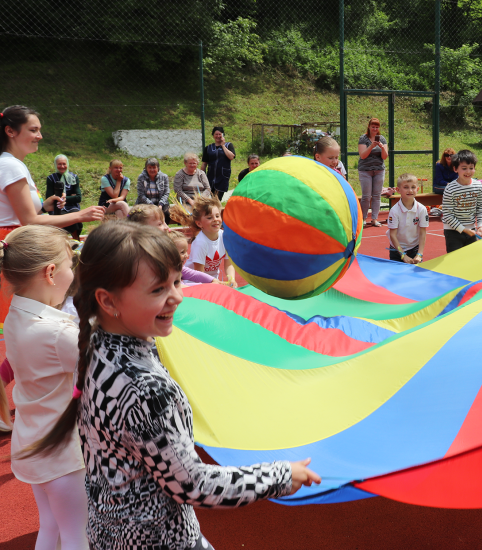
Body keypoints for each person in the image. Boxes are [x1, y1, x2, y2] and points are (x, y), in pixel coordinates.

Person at [24, 221, 321, 550]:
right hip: (158, 539)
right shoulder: (145, 388)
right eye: (158, 290)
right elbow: (191, 483)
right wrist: (278, 476)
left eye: (176, 282)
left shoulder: (95, 347)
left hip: (108, 532)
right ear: (108, 302)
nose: (177, 297)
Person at [0, 225, 87, 550]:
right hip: (63, 455)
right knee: (78, 535)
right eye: (69, 265)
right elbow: (98, 370)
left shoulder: (16, 316)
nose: (72, 272)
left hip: (33, 445)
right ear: (51, 272)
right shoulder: (56, 332)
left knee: (51, 527)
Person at [0, 105, 105, 329]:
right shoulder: (10, 166)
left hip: (16, 239)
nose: (40, 135)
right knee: (17, 318)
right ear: (11, 131)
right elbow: (28, 220)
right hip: (15, 243)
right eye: (33, 130)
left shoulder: (12, 164)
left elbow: (20, 212)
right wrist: (81, 214)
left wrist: (45, 205)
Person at [172, 195, 237, 288]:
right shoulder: (200, 243)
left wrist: (231, 280)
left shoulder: (225, 237)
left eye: (217, 216)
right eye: (209, 218)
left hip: (214, 281)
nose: (215, 219)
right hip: (196, 284)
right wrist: (213, 285)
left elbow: (228, 264)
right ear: (199, 223)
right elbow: (199, 274)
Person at [442, 149, 482, 253]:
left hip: (472, 230)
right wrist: (464, 229)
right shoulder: (450, 189)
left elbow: (481, 207)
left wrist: (481, 226)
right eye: (464, 168)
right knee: (455, 262)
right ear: (455, 169)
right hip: (453, 231)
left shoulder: (478, 186)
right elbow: (448, 215)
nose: (468, 171)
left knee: (471, 261)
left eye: (471, 168)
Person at [387, 173, 428, 263]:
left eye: (413, 187)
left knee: (417, 275)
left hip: (415, 250)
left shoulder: (421, 209)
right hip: (397, 251)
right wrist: (402, 255)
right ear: (398, 190)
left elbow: (422, 232)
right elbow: (393, 235)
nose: (410, 190)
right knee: (397, 276)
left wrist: (419, 254)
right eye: (406, 187)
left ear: (417, 189)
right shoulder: (394, 211)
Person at [358, 118, 388, 227]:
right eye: (373, 127)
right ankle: (363, 218)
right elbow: (363, 155)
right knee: (366, 196)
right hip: (365, 170)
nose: (375, 129)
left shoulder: (382, 139)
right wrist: (372, 146)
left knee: (376, 195)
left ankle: (374, 219)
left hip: (379, 170)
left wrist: (382, 147)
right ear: (369, 127)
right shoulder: (363, 138)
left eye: (377, 127)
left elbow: (384, 156)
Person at [44, 154, 82, 238]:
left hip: (71, 206)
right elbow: (49, 197)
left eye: (64, 164)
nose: (62, 166)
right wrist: (70, 197)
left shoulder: (74, 177)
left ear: (67, 164)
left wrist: (64, 198)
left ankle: (76, 238)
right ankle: (62, 239)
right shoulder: (51, 178)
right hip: (56, 206)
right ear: (55, 165)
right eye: (59, 164)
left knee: (74, 216)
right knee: (62, 217)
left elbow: (78, 197)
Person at [201, 126, 236, 201]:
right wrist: (202, 175)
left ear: (223, 135)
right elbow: (204, 163)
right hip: (210, 177)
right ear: (213, 135)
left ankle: (216, 211)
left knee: (217, 199)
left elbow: (231, 157)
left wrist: (223, 145)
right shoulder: (208, 148)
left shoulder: (228, 145)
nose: (218, 136)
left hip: (222, 177)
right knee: (213, 199)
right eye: (216, 134)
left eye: (220, 134)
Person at [136, 157, 171, 224]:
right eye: (150, 168)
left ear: (158, 168)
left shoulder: (164, 177)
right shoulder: (141, 177)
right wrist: (151, 205)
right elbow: (140, 194)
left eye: (154, 167)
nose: (152, 170)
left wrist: (160, 204)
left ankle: (163, 230)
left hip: (161, 203)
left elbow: (166, 193)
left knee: (166, 214)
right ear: (146, 168)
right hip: (145, 203)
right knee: (146, 215)